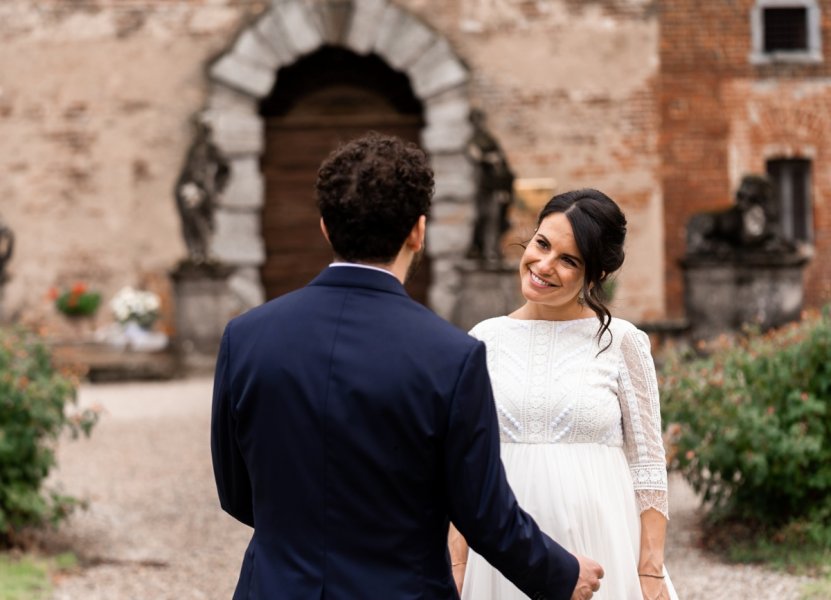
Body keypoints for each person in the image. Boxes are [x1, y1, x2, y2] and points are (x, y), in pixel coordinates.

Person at [210, 133, 604, 600]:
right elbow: (484, 514)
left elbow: (236, 492)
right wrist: (561, 573)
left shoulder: (247, 337)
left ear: (324, 227)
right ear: (418, 231)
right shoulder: (450, 356)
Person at [450, 189, 679, 600]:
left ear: (597, 275)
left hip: (603, 548)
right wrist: (458, 564)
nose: (543, 265)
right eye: (542, 244)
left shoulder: (622, 342)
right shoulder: (483, 340)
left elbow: (648, 464)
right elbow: (464, 466)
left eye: (568, 260)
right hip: (502, 560)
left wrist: (650, 571)